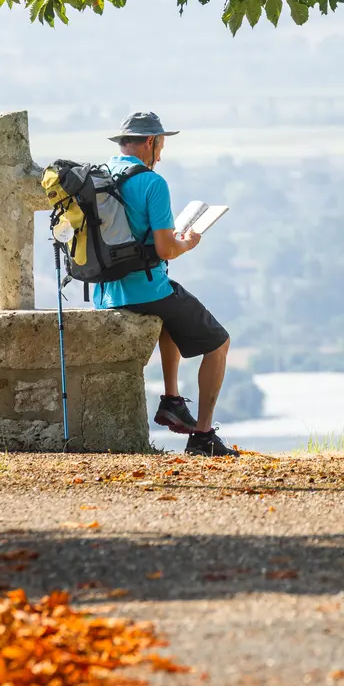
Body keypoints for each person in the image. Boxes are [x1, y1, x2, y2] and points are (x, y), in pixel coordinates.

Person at [93, 111, 240, 457]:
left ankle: (172, 399)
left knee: (171, 310)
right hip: (144, 289)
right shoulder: (152, 183)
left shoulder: (101, 176)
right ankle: (203, 436)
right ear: (150, 142)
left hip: (106, 291)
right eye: (160, 146)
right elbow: (165, 249)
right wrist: (187, 242)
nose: (160, 155)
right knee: (219, 343)